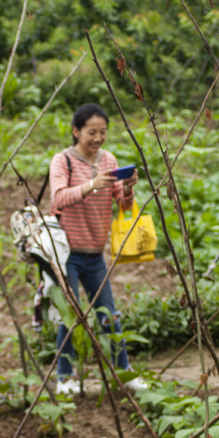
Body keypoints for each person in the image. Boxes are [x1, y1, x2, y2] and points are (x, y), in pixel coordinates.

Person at [48, 103, 147, 396]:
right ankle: (64, 377)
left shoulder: (109, 160)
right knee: (70, 314)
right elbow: (58, 199)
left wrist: (127, 187)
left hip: (95, 252)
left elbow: (123, 203)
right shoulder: (62, 161)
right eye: (92, 132)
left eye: (103, 132)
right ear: (76, 131)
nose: (98, 138)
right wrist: (91, 185)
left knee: (109, 314)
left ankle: (124, 373)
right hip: (67, 253)